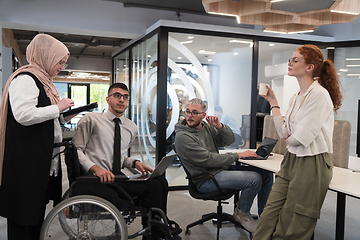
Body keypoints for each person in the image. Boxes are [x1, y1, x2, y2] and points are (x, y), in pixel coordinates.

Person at [253, 45, 343, 240]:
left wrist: (290, 139)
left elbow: (301, 138)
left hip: (312, 163)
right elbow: (285, 132)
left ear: (309, 67)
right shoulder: (296, 96)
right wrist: (273, 102)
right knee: (269, 214)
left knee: (293, 222)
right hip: (292, 159)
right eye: (290, 60)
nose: (290, 63)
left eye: (295, 60)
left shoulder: (319, 95)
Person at [71, 82, 181, 239]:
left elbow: (116, 156)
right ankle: (155, 232)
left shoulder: (131, 127)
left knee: (160, 180)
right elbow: (76, 150)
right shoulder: (91, 120)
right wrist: (96, 169)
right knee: (154, 188)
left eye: (125, 97)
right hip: (95, 180)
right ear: (108, 99)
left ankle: (159, 225)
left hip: (116, 177)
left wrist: (133, 163)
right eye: (117, 95)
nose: (121, 100)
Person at [0, 34, 76, 240]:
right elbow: (24, 115)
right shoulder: (26, 79)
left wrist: (63, 116)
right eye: (59, 61)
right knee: (23, 217)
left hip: (39, 162)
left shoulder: (44, 82)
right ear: (46, 56)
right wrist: (57, 108)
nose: (61, 66)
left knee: (34, 214)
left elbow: (45, 120)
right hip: (26, 163)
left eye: (63, 62)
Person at [174, 98, 273, 233]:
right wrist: (238, 155)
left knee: (266, 174)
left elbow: (229, 140)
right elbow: (209, 160)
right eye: (188, 112)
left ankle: (265, 219)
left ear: (204, 115)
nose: (190, 116)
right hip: (206, 179)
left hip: (219, 170)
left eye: (194, 112)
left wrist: (220, 127)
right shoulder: (182, 136)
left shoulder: (206, 127)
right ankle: (242, 213)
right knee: (254, 179)